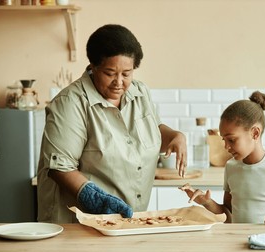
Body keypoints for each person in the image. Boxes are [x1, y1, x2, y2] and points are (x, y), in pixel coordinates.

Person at [37, 24, 187, 223]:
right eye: (110, 73)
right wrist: (94, 198)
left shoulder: (140, 92)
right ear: (94, 66)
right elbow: (59, 168)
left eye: (126, 74)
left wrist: (176, 136)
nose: (119, 82)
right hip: (79, 223)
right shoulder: (70, 103)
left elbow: (154, 129)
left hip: (126, 222)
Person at [180, 91, 265, 224]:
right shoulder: (231, 167)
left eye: (232, 140)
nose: (226, 147)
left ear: (255, 133)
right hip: (236, 242)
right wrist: (207, 202)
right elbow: (228, 214)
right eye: (224, 140)